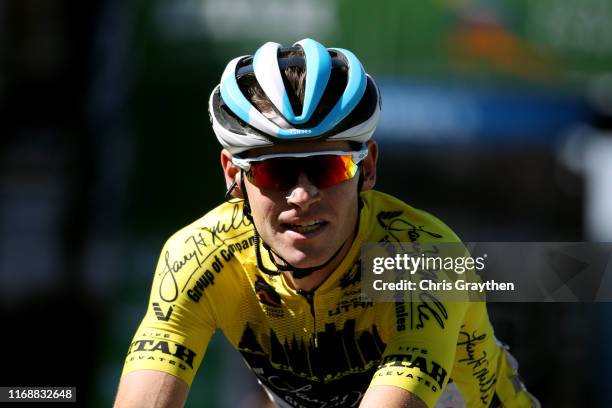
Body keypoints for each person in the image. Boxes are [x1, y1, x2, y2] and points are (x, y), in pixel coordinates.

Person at [113, 38, 538, 408]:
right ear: (233, 176)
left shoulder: (421, 258)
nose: (302, 195)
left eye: (326, 168)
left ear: (367, 169)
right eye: (274, 173)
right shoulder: (200, 258)